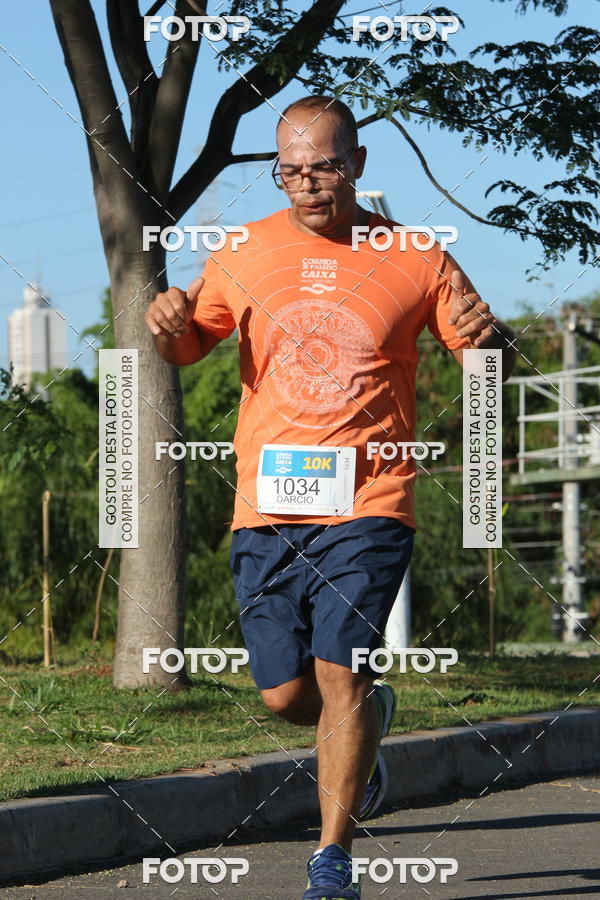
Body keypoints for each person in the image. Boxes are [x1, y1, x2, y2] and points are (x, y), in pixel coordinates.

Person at [145, 95, 517, 900]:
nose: (307, 184)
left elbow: (483, 363)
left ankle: (332, 861)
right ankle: (369, 727)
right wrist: (165, 319)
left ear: (357, 164)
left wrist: (494, 344)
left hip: (371, 501)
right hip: (268, 507)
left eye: (324, 166)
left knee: (340, 673)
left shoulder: (418, 255)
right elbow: (187, 344)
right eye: (290, 169)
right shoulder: (244, 250)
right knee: (286, 694)